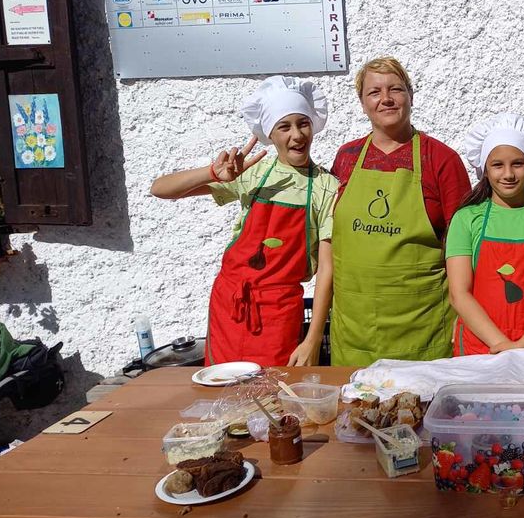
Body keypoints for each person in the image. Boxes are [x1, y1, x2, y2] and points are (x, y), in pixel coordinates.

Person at [151, 76, 338, 367]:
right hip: (230, 305)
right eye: (284, 126)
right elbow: (161, 189)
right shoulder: (251, 173)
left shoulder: (326, 187)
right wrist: (212, 173)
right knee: (222, 390)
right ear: (270, 134)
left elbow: (327, 269)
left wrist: (312, 339)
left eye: (303, 123)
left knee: (273, 390)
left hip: (278, 313)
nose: (297, 135)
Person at [330, 57, 471, 367]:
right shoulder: (346, 157)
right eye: (374, 92)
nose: (386, 99)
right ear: (362, 104)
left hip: (423, 326)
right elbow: (328, 236)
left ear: (411, 96)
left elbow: (464, 246)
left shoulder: (441, 159)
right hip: (354, 328)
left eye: (396, 89)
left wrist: (465, 317)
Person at [446, 113, 524, 356]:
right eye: (497, 165)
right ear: (485, 170)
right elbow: (459, 294)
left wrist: (523, 345)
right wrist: (501, 345)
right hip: (480, 348)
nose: (508, 174)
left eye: (517, 164)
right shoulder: (466, 219)